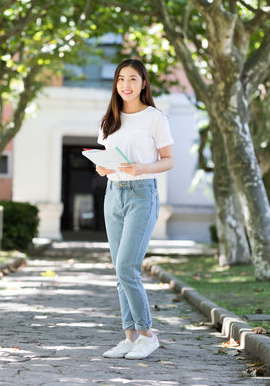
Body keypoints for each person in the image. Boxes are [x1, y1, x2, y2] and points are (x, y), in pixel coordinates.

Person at [96, 58, 174, 360]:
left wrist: (142, 167)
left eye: (132, 79)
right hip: (112, 194)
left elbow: (169, 160)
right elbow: (105, 159)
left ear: (143, 83)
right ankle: (129, 337)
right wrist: (102, 168)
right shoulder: (109, 119)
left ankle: (147, 334)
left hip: (143, 194)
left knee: (128, 267)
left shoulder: (155, 117)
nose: (125, 85)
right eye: (120, 79)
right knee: (119, 269)